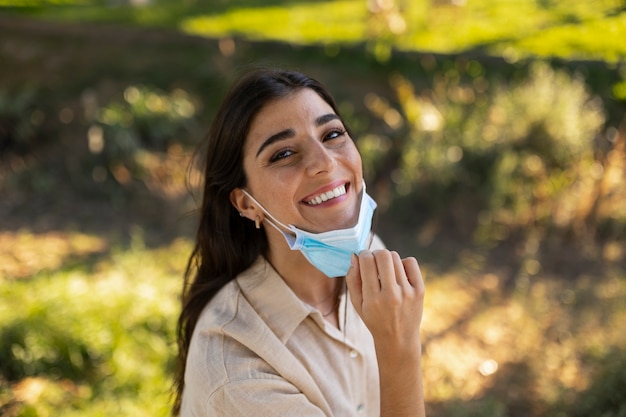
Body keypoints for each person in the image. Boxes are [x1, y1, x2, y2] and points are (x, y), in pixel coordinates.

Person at [172, 68, 426, 417]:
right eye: (282, 154)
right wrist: (400, 350)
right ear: (246, 203)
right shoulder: (237, 368)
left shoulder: (372, 255)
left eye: (333, 133)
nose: (324, 162)